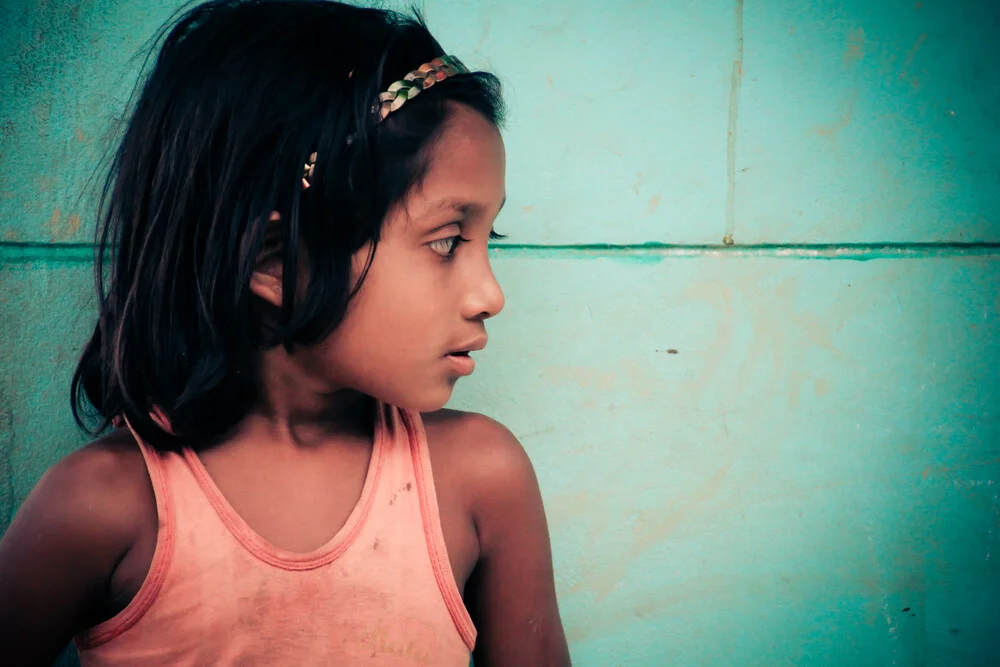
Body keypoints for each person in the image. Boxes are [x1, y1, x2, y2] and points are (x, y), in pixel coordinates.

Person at [0, 1, 571, 664]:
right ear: (273, 260)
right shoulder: (102, 508)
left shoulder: (480, 481)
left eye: (486, 238)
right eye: (447, 242)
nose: (490, 295)